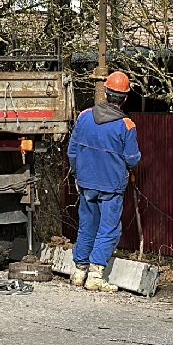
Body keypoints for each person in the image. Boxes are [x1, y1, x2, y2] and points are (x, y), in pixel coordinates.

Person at [66, 70, 141, 292]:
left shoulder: (84, 117)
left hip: (87, 182)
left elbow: (72, 151)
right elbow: (132, 158)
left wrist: (78, 174)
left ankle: (79, 271)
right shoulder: (126, 125)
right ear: (125, 97)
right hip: (111, 185)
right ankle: (96, 275)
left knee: (87, 224)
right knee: (108, 228)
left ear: (106, 93)